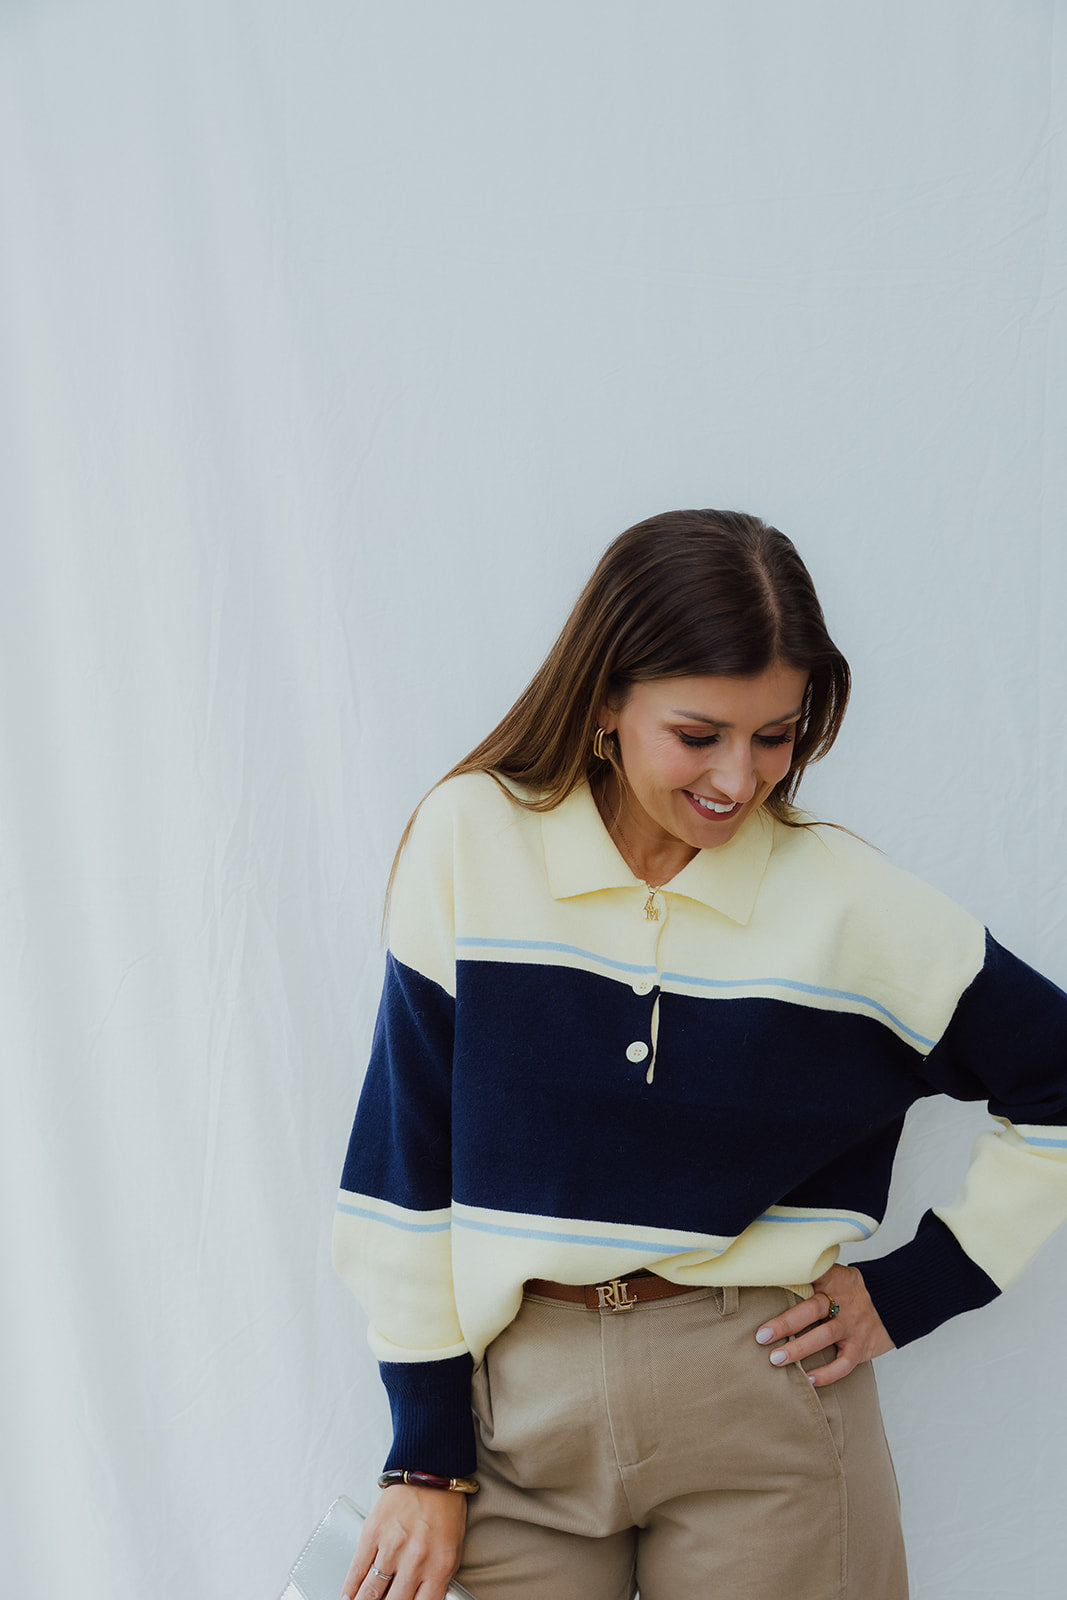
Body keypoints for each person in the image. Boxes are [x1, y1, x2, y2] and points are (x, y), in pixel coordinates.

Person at [332, 508, 1067, 1600]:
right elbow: (404, 1157)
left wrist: (918, 1285)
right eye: (698, 734)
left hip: (764, 1406)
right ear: (604, 702)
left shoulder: (849, 901)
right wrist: (424, 1451)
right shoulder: (469, 838)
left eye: (774, 735)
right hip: (512, 1427)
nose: (739, 778)